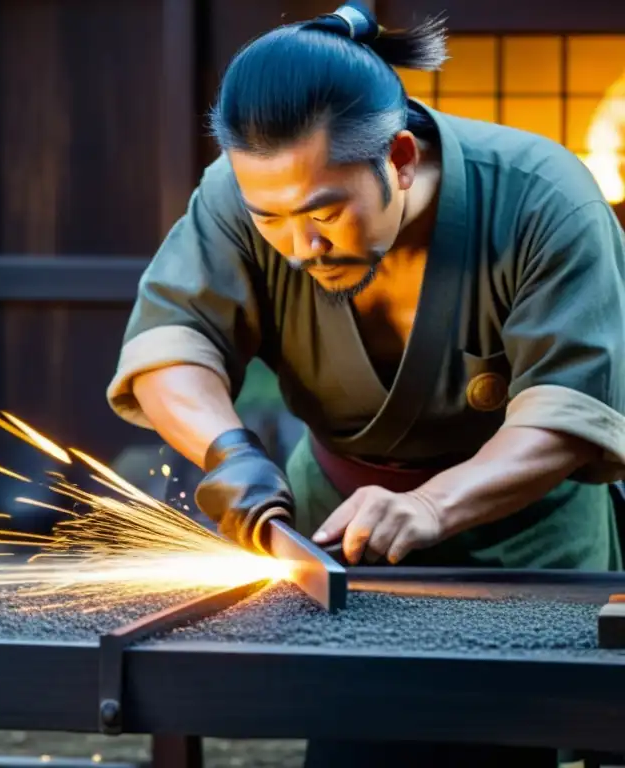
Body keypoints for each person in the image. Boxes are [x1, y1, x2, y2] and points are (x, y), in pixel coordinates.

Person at [105, 3, 625, 766]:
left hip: (531, 540)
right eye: (270, 221)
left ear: (402, 159)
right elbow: (171, 343)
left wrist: (427, 506)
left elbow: (567, 412)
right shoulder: (235, 197)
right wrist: (230, 454)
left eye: (326, 211)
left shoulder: (543, 197)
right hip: (338, 546)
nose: (300, 246)